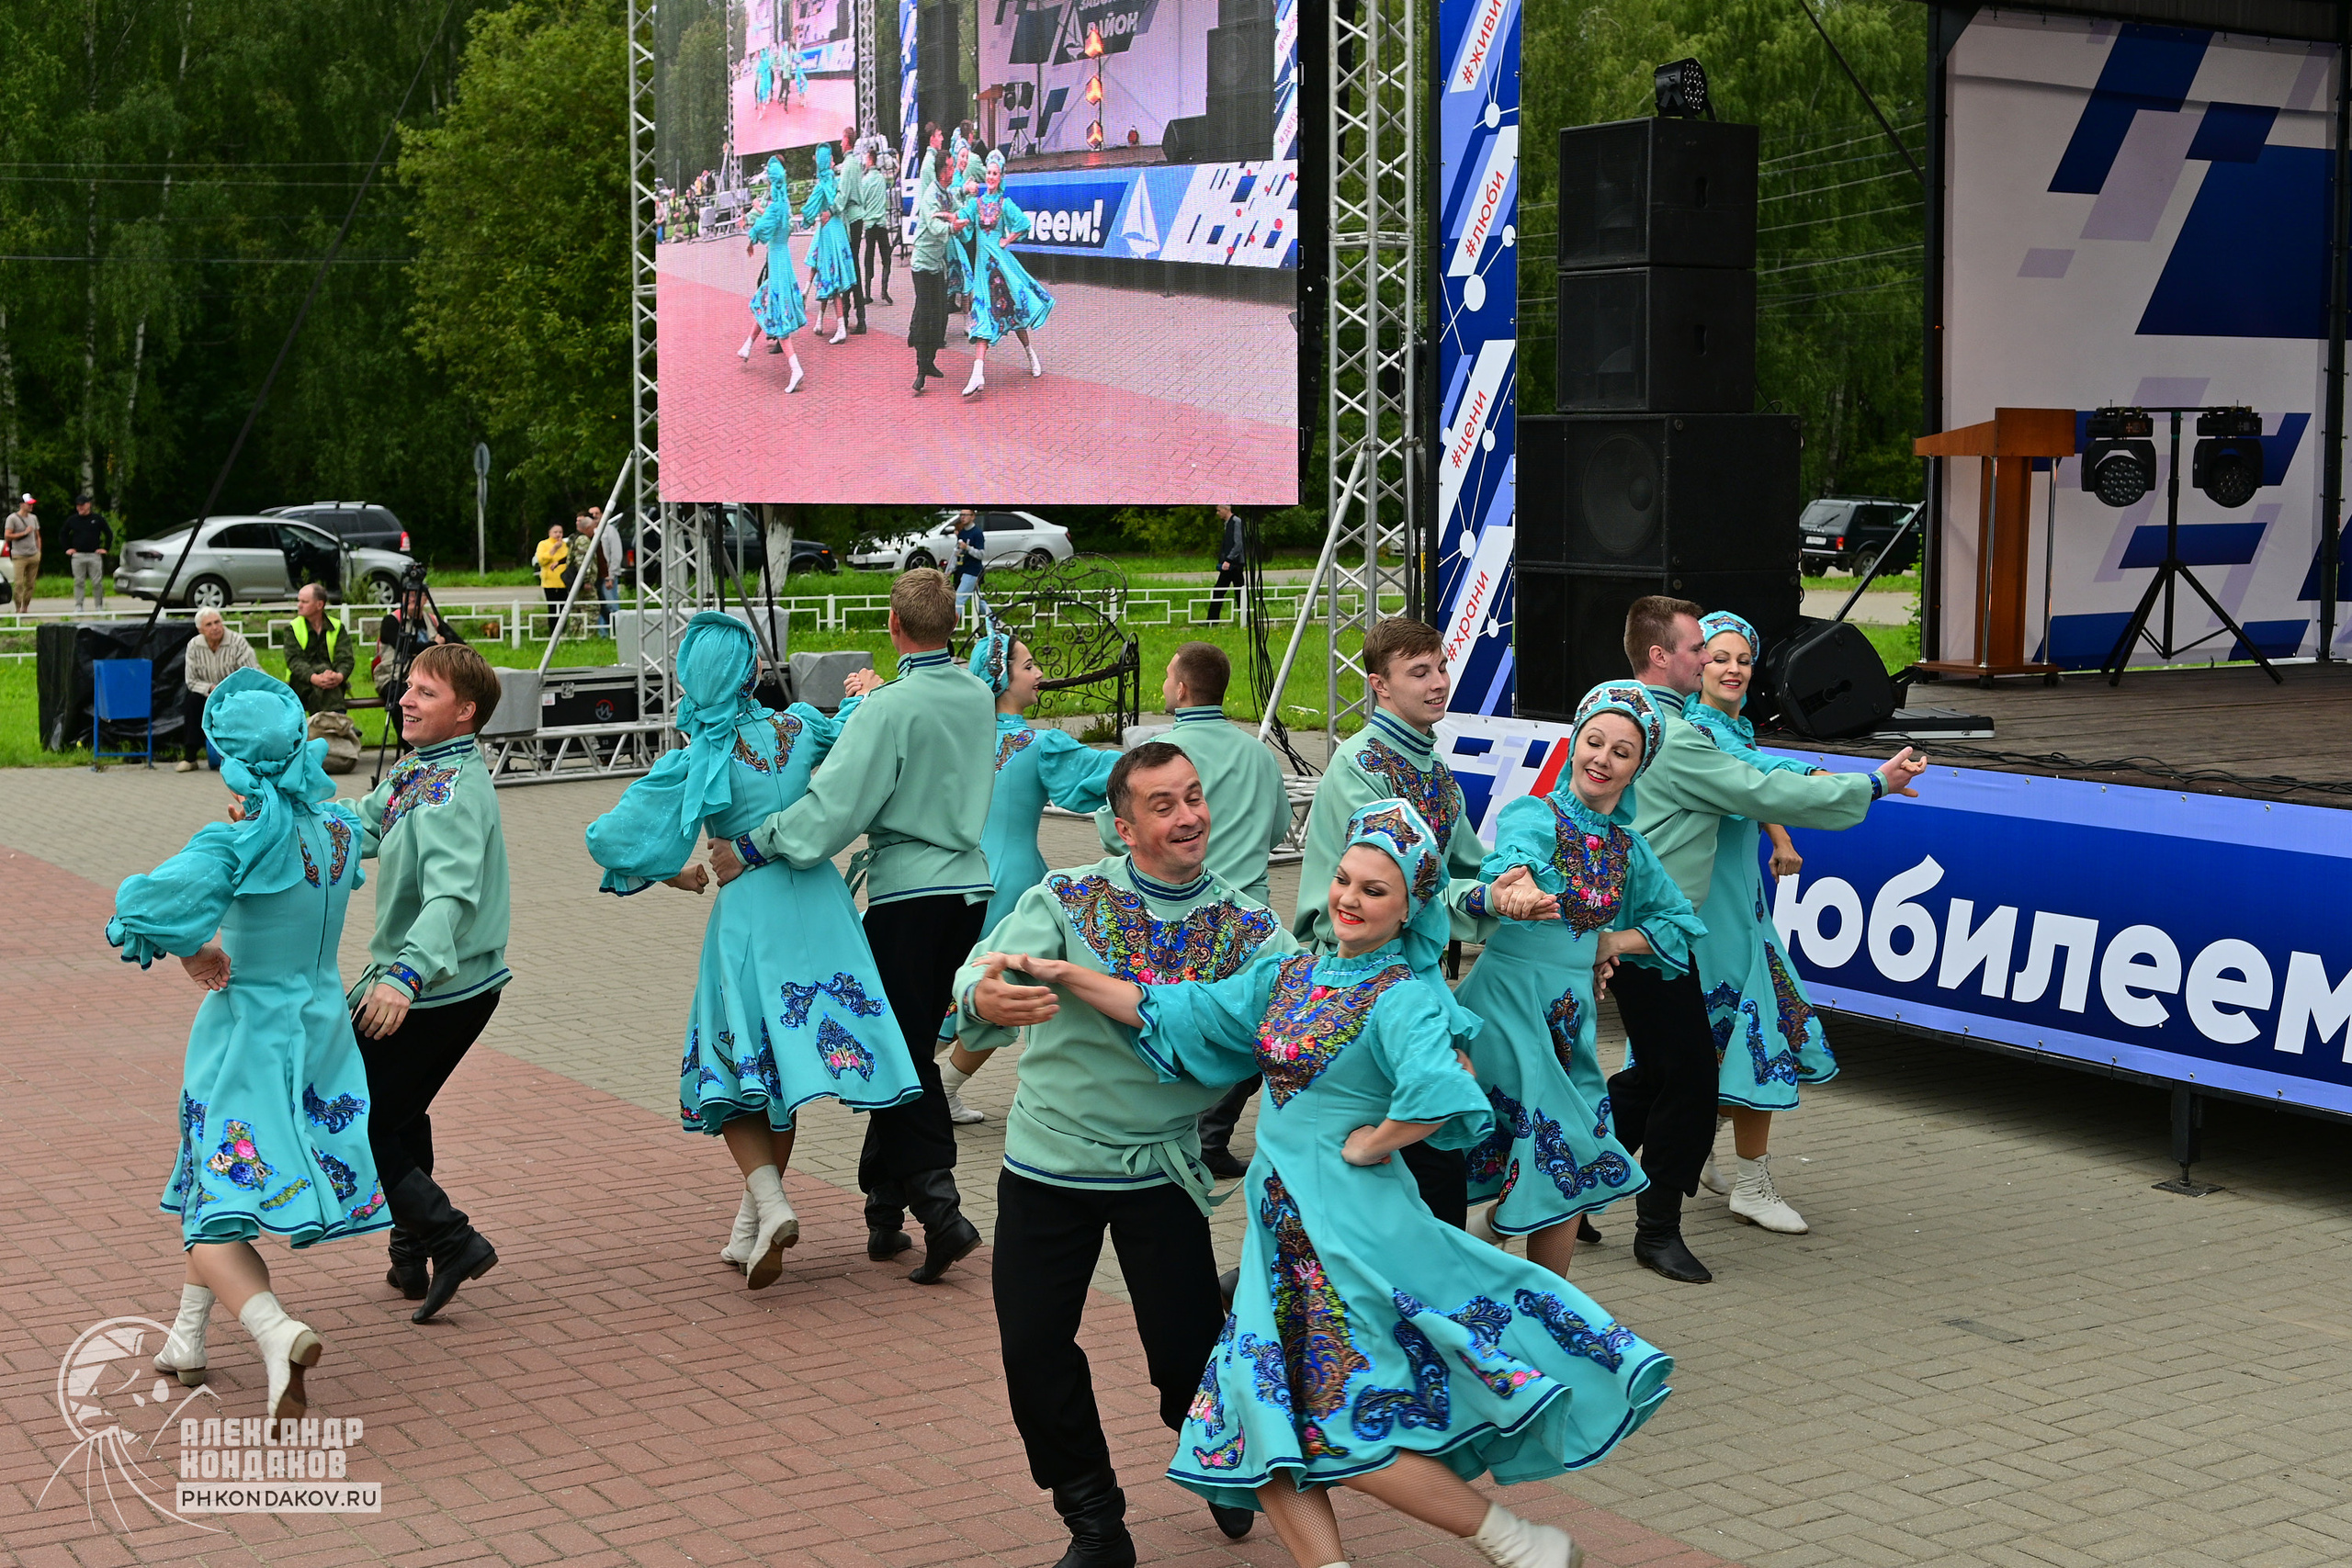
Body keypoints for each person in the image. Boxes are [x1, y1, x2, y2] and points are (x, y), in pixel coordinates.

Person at [1020, 800, 1672, 1568]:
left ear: (1408, 909)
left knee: (1341, 1413)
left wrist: (1377, 1141)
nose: (1349, 900)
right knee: (1270, 1424)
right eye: (1343, 880)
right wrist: (1068, 974)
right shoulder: (1293, 971)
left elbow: (1444, 1092)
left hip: (1347, 1232)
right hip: (1280, 1229)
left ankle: (1519, 1541)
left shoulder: (1403, 994)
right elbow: (1182, 1008)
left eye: (1375, 890)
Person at [953, 742, 1295, 1563]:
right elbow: (982, 970)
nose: (1189, 816)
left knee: (1184, 1358)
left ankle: (1220, 1456)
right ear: (1124, 825)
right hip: (1047, 1166)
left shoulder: (1247, 924)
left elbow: (1305, 1006)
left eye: (1194, 797)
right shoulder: (1067, 897)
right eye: (1164, 804)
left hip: (1158, 1169)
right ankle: (1096, 1522)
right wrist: (982, 992)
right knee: (1033, 1349)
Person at [586, 614, 921, 1285]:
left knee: (739, 1064)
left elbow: (609, 836)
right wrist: (867, 690)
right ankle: (751, 1224)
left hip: (748, 916)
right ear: (748, 672)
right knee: (787, 1070)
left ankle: (768, 1206)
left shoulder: (693, 758)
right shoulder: (796, 724)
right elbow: (858, 732)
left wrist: (669, 868)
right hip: (822, 904)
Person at [1609, 596, 1928, 1283]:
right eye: (1705, 650)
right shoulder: (1675, 733)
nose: (1717, 663)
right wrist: (1874, 783)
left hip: (1675, 920)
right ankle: (1649, 1215)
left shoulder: (1636, 713)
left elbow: (1761, 788)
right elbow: (1764, 787)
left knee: (1661, 1075)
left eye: (1735, 656)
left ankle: (1578, 1189)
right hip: (1672, 928)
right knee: (1686, 1074)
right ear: (1665, 656)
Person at [109, 667, 388, 1421]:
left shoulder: (233, 841)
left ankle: (274, 1331)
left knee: (212, 1202)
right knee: (216, 1189)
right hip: (322, 1033)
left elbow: (140, 905)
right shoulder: (337, 832)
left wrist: (197, 946)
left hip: (244, 1037)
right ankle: (186, 1339)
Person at [707, 568, 994, 1285]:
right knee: (901, 1039)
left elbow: (833, 809)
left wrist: (753, 842)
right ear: (950, 625)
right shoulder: (975, 690)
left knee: (895, 1057)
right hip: (970, 885)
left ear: (894, 627)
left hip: (909, 892)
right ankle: (882, 1206)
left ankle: (940, 1208)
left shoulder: (889, 708)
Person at [1452, 683, 1703, 1279]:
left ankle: (1539, 1309)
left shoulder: (1628, 849)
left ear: (1638, 766)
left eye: (1622, 750)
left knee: (1566, 1156)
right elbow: (1513, 859)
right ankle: (1467, 1278)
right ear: (1574, 743)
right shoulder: (1536, 814)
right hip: (1507, 1005)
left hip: (1567, 1021)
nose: (1603, 758)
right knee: (1500, 1144)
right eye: (1594, 741)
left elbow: (1680, 920)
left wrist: (1608, 942)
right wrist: (1517, 888)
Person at [1270, 616, 1500, 1223]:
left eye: (1442, 667)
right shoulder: (1360, 764)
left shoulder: (1437, 774)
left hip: (1405, 978)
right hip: (1355, 974)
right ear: (1379, 685)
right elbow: (1389, 894)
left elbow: (1470, 866)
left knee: (1416, 1164)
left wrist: (1530, 892)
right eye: (1419, 672)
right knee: (1412, 1156)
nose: (1438, 682)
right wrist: (1491, 901)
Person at [343, 643, 514, 1322]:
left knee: (361, 1117)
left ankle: (452, 1239)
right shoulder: (421, 769)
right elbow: (360, 823)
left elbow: (451, 896)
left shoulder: (454, 789)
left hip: (441, 983)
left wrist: (405, 976)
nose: (405, 699)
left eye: (425, 692)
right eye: (407, 686)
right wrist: (282, 829)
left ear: (466, 712)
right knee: (397, 1109)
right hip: (435, 978)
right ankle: (411, 1255)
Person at [1679, 613, 1841, 1235]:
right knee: (1744, 1037)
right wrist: (1812, 784)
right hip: (1707, 912)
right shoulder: (1696, 731)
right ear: (1697, 666)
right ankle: (1750, 1183)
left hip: (1739, 906)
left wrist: (1780, 835)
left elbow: (1754, 779)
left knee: (1729, 1040)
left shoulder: (1734, 727)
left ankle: (1705, 1156)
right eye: (1719, 657)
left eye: (1743, 658)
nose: (1733, 668)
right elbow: (1756, 776)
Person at [934, 620, 1120, 1124]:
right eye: (1029, 665)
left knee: (954, 980)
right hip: (1012, 884)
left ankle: (923, 1087)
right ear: (1002, 677)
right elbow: (1096, 776)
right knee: (1007, 987)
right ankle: (942, 1089)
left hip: (949, 878)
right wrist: (1158, 755)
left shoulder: (953, 738)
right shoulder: (1039, 745)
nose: (1039, 673)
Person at [957, 152, 1053, 398]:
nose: (990, 177)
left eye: (994, 174)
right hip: (982, 271)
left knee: (1015, 315)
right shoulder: (974, 204)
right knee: (983, 318)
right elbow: (963, 224)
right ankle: (977, 374)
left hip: (1001, 268)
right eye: (988, 173)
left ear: (1000, 178)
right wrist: (953, 221)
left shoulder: (1004, 204)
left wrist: (1007, 240)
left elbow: (1023, 224)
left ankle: (1031, 354)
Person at [741, 154, 810, 392]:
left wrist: (751, 239)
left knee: (779, 320)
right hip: (783, 261)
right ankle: (747, 345)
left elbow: (760, 229)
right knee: (763, 301)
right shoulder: (784, 204)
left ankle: (796, 368)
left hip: (778, 262)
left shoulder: (776, 207)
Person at [908, 140, 967, 395]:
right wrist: (953, 226)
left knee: (940, 314)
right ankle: (921, 370)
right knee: (925, 314)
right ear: (942, 171)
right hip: (922, 264)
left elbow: (960, 209)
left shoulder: (947, 194)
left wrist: (972, 211)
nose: (954, 170)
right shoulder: (930, 197)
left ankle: (930, 360)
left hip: (938, 264)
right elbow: (935, 227)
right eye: (952, 167)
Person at [372, 586, 466, 742]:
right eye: (408, 594)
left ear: (426, 598)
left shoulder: (433, 621)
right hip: (393, 678)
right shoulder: (391, 621)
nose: (412, 598)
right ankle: (410, 747)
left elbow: (460, 646)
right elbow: (405, 647)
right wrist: (434, 645)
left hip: (428, 679)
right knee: (403, 701)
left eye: (417, 595)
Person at [178, 607, 258, 772]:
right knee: (192, 701)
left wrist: (227, 690)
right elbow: (191, 680)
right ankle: (190, 757)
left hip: (236, 693)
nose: (215, 627)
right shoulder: (194, 645)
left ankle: (246, 757)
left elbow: (251, 675)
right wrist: (211, 689)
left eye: (217, 622)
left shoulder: (237, 642)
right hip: (208, 693)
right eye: (209, 624)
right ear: (200, 630)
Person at [803, 143, 860, 347]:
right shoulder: (835, 180)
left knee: (830, 280)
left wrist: (806, 218)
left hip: (828, 234)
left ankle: (840, 328)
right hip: (839, 231)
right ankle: (836, 324)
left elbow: (809, 211)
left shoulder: (821, 186)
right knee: (836, 280)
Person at [283, 583, 353, 717]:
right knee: (323, 675)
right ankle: (339, 722)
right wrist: (314, 678)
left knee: (323, 686)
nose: (299, 605)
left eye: (304, 602)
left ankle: (327, 726)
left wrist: (338, 676)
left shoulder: (337, 627)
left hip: (332, 683)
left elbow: (346, 659)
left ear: (319, 605)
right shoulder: (292, 628)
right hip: (301, 683)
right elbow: (294, 661)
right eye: (299, 601)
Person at [835, 134, 870, 334]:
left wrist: (831, 210)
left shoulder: (848, 165)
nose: (840, 144)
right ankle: (855, 315)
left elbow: (844, 195)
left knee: (851, 267)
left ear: (847, 141)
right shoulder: (854, 163)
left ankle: (855, 316)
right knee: (853, 265)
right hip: (856, 217)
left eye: (842, 140)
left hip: (851, 218)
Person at [861, 141, 897, 306]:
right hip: (881, 223)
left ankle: (867, 293)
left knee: (868, 258)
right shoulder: (882, 180)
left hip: (869, 224)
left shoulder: (865, 181)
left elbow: (862, 201)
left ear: (870, 160)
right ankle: (884, 289)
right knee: (886, 257)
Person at [64, 494, 108, 610]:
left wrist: (106, 548)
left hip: (94, 555)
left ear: (88, 505)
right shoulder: (73, 520)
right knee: (79, 581)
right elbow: (63, 534)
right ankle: (79, 605)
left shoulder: (97, 518)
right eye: (78, 506)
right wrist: (67, 548)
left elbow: (108, 533)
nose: (80, 508)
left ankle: (99, 606)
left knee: (97, 582)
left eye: (82, 505)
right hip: (78, 555)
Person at [1206, 505, 1246, 623]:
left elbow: (1238, 544)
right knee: (1229, 590)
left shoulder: (1236, 522)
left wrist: (1228, 559)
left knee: (1235, 591)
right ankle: (1213, 620)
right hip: (1230, 564)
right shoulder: (1228, 523)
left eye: (1219, 510)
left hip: (1234, 565)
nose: (1218, 513)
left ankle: (1213, 620)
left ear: (1226, 509)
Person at [587, 508, 623, 634]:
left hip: (607, 576)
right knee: (599, 605)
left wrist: (611, 575)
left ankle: (619, 631)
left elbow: (616, 553)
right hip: (595, 577)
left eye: (597, 513)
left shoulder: (610, 530)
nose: (595, 516)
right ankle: (603, 633)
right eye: (592, 515)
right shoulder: (589, 532)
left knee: (612, 604)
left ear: (602, 514)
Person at [952, 509, 986, 618]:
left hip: (972, 571)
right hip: (963, 569)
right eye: (961, 515)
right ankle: (995, 622)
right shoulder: (962, 532)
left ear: (973, 516)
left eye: (966, 515)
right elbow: (959, 552)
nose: (963, 517)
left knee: (959, 598)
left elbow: (981, 554)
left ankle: (952, 627)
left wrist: (968, 548)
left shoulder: (977, 533)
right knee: (979, 601)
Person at [5, 493, 36, 612]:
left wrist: (39, 551)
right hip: (19, 555)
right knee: (18, 583)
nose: (31, 506)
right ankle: (18, 608)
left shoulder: (33, 518)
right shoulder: (12, 518)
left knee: (31, 584)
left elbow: (37, 536)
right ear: (21, 505)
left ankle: (25, 607)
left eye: (31, 504)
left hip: (34, 555)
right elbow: (7, 536)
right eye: (29, 504)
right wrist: (24, 533)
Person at [535, 524, 571, 611]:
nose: (558, 534)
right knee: (552, 609)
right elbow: (541, 561)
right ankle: (553, 625)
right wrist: (554, 549)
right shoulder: (543, 544)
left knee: (564, 609)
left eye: (560, 532)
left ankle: (563, 624)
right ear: (549, 533)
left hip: (564, 581)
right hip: (550, 583)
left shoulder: (566, 545)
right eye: (555, 532)